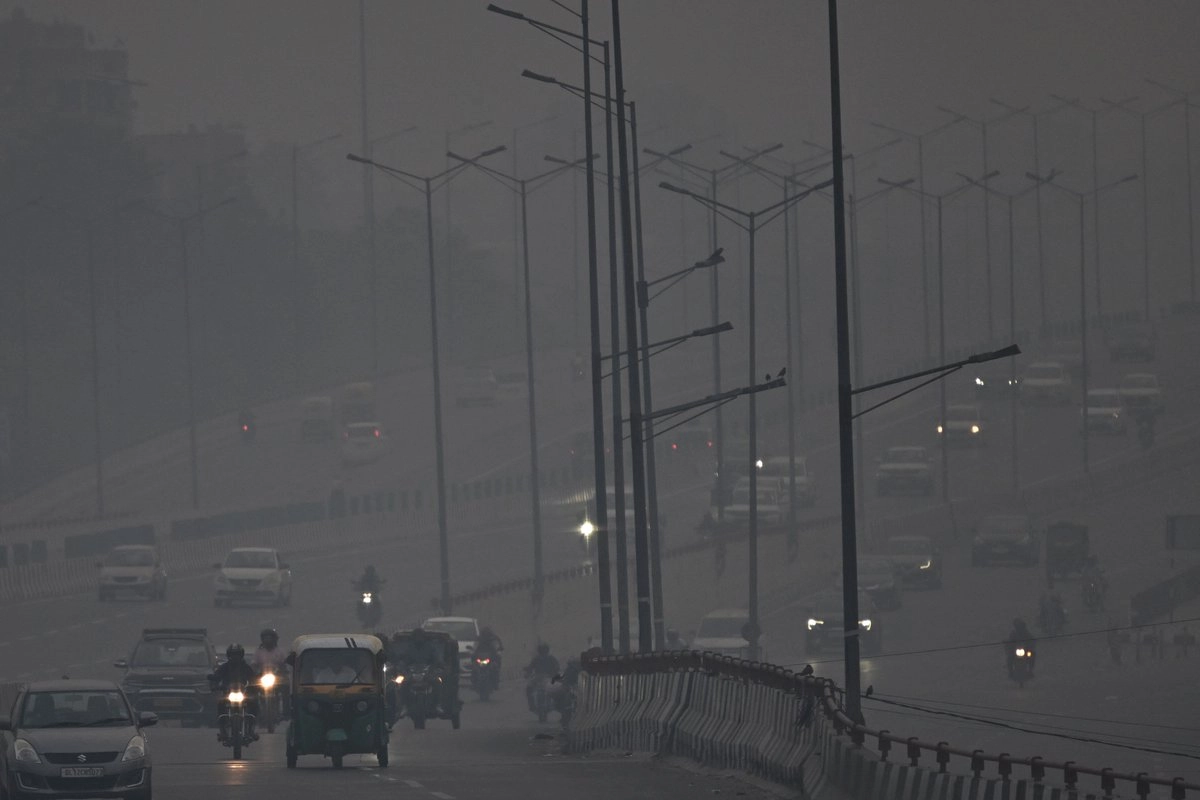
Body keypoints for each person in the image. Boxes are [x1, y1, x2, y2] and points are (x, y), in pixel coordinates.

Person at [208, 644, 261, 742]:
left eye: (237, 654)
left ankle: (251, 729)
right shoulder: (224, 667)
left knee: (254, 704)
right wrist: (214, 684)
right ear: (229, 655)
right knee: (220, 704)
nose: (235, 657)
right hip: (227, 694)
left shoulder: (246, 668)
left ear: (241, 655)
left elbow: (254, 679)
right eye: (233, 654)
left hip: (244, 693)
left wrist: (256, 686)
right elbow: (216, 677)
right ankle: (223, 730)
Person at [524, 643, 560, 712]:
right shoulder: (550, 658)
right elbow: (557, 667)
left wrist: (527, 672)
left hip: (541, 677)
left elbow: (530, 668)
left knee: (529, 689)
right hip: (544, 677)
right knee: (529, 688)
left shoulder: (538, 658)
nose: (542, 652)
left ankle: (532, 705)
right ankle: (532, 705)